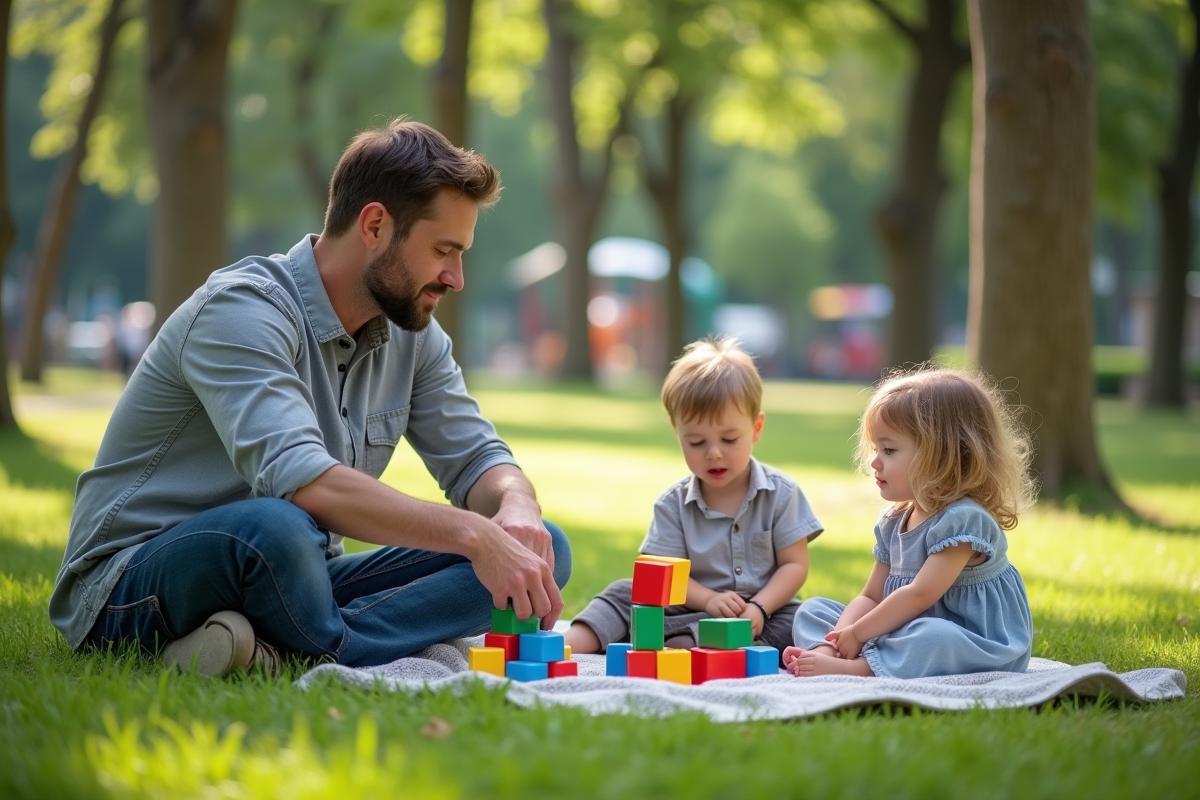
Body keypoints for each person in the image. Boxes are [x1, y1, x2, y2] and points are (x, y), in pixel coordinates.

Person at [49, 118, 570, 675]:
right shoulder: (242, 310)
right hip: (133, 582)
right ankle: (333, 648)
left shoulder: (413, 335)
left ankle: (265, 648)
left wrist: (515, 510)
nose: (456, 276)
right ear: (374, 225)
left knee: (543, 549)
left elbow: (479, 459)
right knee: (276, 527)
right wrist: (474, 534)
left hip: (298, 578)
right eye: (444, 249)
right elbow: (305, 483)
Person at [563, 336, 822, 657]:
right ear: (677, 431)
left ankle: (692, 649)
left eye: (729, 439)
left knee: (804, 617)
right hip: (687, 607)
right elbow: (661, 573)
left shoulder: (782, 494)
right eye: (697, 442)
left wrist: (759, 607)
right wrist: (709, 600)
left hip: (762, 612)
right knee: (623, 592)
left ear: (756, 428)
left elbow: (794, 566)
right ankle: (566, 645)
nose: (714, 453)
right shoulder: (673, 504)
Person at [784, 366, 1035, 679]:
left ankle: (860, 669)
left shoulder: (963, 522)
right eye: (876, 449)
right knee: (813, 609)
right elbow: (871, 597)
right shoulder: (894, 521)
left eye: (889, 450)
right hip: (903, 628)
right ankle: (829, 655)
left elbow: (920, 597)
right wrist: (838, 639)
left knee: (931, 635)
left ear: (943, 455)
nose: (875, 462)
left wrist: (860, 634)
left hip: (971, 643)